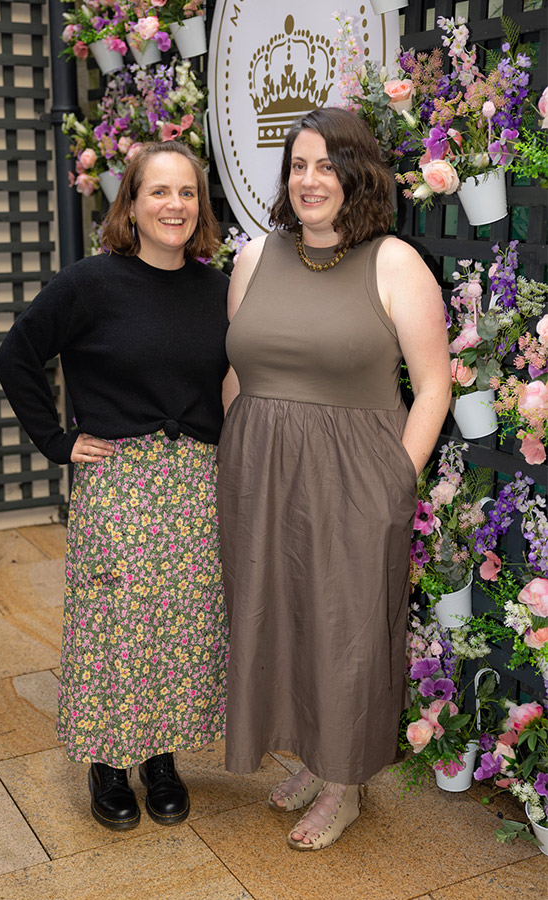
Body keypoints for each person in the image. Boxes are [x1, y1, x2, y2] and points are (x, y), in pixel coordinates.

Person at [216, 108, 451, 851]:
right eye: (297, 166)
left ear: (358, 175)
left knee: (345, 629)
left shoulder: (395, 263)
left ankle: (346, 786)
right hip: (260, 474)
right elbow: (238, 367)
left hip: (355, 479)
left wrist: (393, 481)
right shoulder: (256, 255)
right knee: (280, 619)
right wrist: (236, 456)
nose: (309, 181)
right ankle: (316, 761)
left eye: (325, 166)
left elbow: (435, 386)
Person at [0, 141, 230, 831]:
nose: (174, 205)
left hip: (194, 483)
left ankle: (160, 757)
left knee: (181, 624)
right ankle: (106, 763)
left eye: (186, 193)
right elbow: (17, 356)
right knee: (116, 627)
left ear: (200, 205)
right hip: (118, 481)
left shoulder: (218, 289)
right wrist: (58, 441)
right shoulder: (89, 283)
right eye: (159, 191)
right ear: (130, 203)